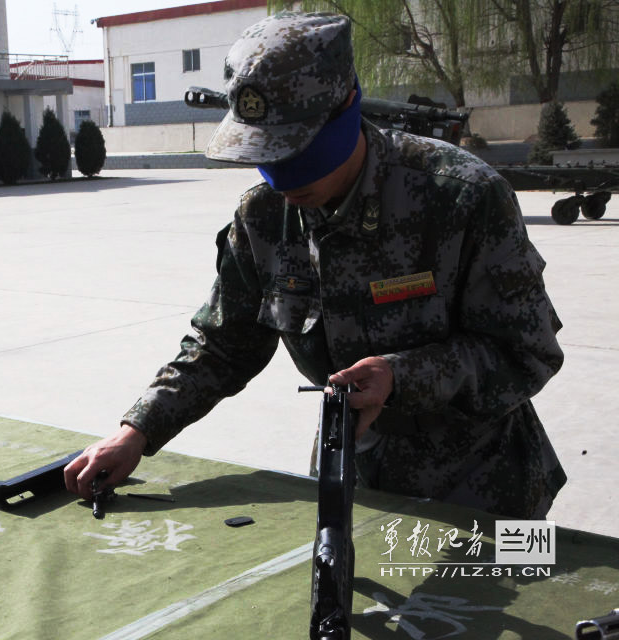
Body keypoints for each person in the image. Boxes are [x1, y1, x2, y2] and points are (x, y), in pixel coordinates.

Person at [63, 11, 566, 519]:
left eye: (296, 151)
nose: (283, 179)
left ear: (346, 107)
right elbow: (223, 345)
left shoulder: (460, 196)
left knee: (521, 597)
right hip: (349, 485)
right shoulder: (263, 216)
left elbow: (528, 353)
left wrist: (402, 375)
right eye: (264, 154)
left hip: (487, 490)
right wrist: (137, 432)